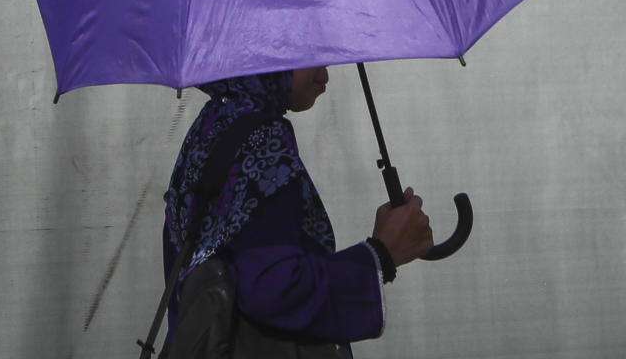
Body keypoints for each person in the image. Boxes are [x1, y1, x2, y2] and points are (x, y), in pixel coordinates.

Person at [162, 66, 434, 341]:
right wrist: (380, 255)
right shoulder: (261, 144)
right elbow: (274, 291)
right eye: (310, 56)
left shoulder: (213, 124)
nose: (324, 75)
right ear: (266, 53)